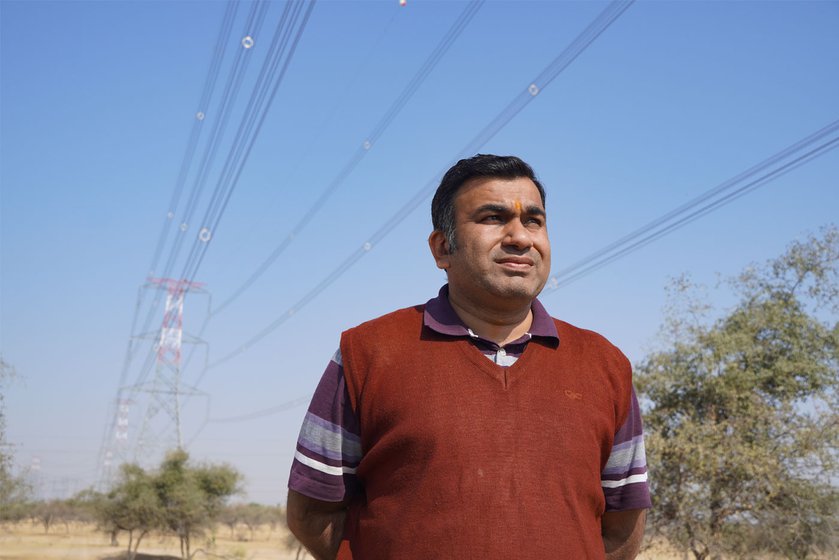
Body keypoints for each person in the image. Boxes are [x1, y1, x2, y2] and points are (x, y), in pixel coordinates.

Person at [286, 154, 651, 559]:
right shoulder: (366, 353)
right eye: (493, 218)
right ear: (443, 248)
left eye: (534, 220)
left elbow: (622, 524)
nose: (521, 237)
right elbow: (312, 512)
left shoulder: (605, 365)